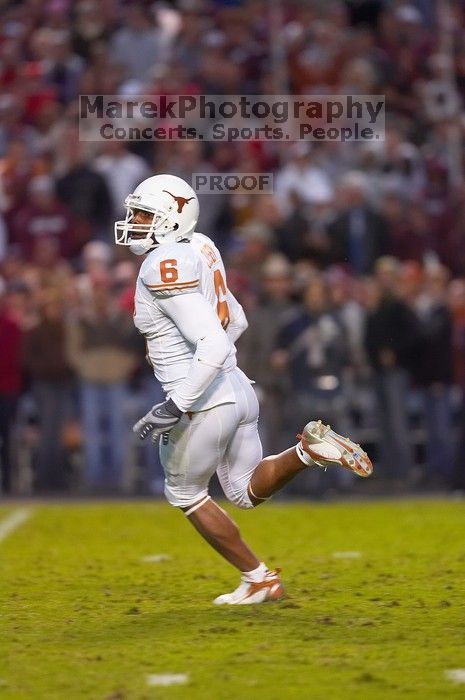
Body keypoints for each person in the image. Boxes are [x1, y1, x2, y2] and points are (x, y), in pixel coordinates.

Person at [115, 174, 373, 606]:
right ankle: (307, 451)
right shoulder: (201, 246)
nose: (134, 222)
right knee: (241, 492)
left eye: (145, 215)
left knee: (184, 493)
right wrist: (211, 372)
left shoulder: (163, 264)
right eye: (135, 213)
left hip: (202, 399)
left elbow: (214, 340)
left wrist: (178, 401)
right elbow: (235, 322)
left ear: (173, 219)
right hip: (236, 386)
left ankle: (258, 579)